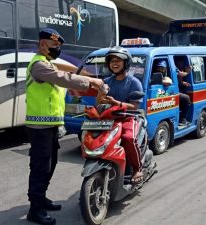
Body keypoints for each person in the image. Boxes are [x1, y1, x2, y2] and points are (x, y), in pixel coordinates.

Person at [25, 28, 105, 225]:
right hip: (39, 128)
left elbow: (61, 85)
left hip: (50, 126)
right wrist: (91, 80)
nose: (57, 49)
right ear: (42, 44)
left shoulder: (48, 65)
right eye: (54, 45)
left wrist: (75, 92)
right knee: (40, 167)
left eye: (59, 46)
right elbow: (63, 78)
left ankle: (41, 199)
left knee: (50, 166)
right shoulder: (38, 65)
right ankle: (35, 209)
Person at [97, 46, 144, 184]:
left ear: (126, 63)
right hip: (110, 118)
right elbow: (98, 103)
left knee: (128, 138)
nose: (115, 63)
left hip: (128, 117)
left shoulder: (134, 83)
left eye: (118, 60)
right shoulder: (106, 82)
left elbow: (135, 106)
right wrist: (101, 93)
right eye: (112, 61)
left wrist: (116, 102)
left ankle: (137, 168)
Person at [175, 59, 192, 125]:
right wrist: (188, 72)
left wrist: (182, 83)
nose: (182, 64)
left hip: (177, 88)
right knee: (186, 98)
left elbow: (177, 79)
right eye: (181, 62)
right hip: (172, 91)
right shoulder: (174, 67)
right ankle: (183, 119)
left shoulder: (180, 68)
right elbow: (180, 74)